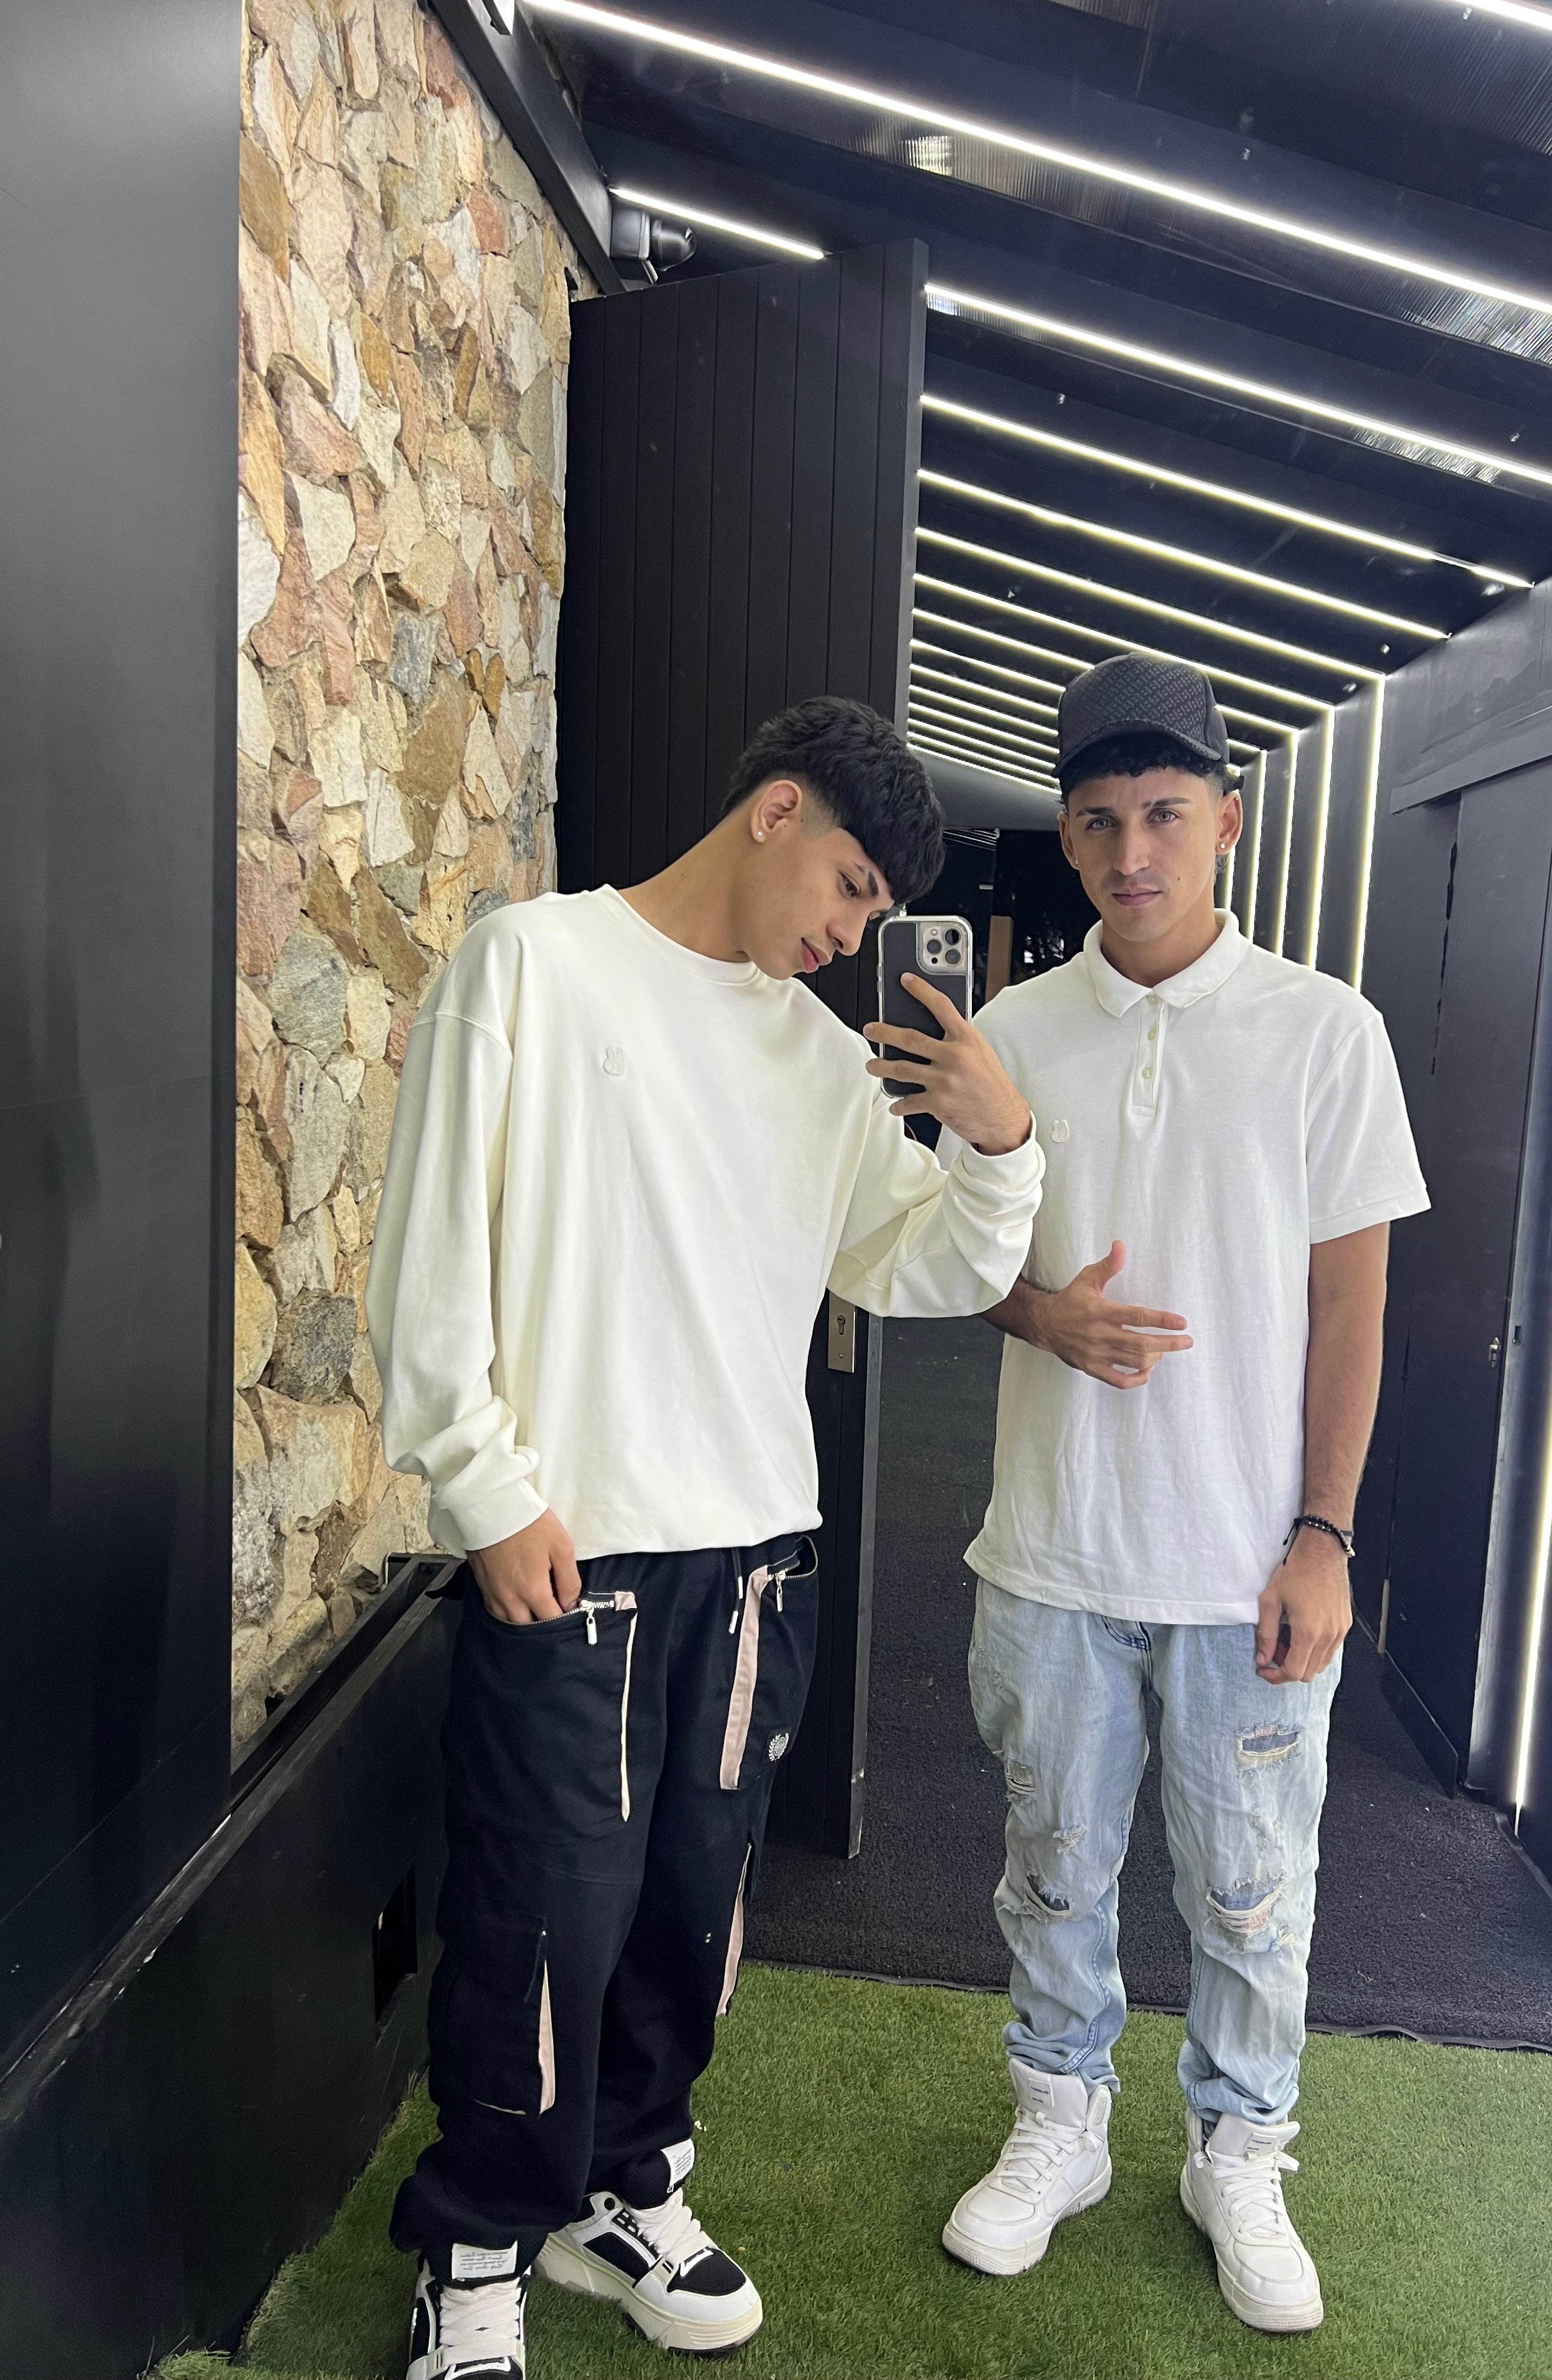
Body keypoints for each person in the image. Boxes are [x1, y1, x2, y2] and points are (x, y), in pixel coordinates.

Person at [368, 698, 1043, 2380]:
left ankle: (626, 2185)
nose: (852, 932)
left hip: (755, 1563)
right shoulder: (534, 965)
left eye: (879, 912)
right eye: (853, 885)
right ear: (776, 809)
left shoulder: (817, 1059)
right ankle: (475, 2245)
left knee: (690, 1908)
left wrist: (1001, 1140)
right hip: (570, 1550)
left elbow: (924, 1265)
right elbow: (431, 1250)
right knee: (539, 1916)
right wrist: (485, 1489)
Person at [939, 654, 1428, 2334]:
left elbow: (1354, 1306)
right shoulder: (1013, 1035)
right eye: (1097, 822)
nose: (1130, 851)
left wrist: (1325, 1534)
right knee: (1053, 1866)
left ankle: (1240, 2151)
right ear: (1068, 839)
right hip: (1052, 1549)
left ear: (1224, 818)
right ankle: (1059, 2119)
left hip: (1247, 1565)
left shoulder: (1325, 1032)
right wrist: (1043, 1317)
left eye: (1163, 814)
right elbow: (956, 1260)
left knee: (1252, 1890)